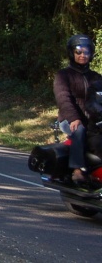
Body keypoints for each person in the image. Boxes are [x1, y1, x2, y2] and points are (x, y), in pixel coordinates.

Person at [54, 34, 102, 184]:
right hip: (69, 119)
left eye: (86, 52)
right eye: (79, 51)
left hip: (94, 119)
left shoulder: (96, 77)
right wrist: (73, 118)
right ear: (72, 53)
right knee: (79, 130)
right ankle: (77, 170)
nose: (83, 55)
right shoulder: (63, 75)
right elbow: (63, 98)